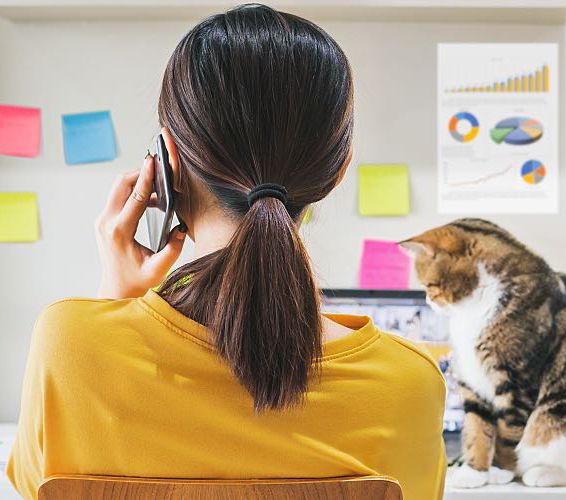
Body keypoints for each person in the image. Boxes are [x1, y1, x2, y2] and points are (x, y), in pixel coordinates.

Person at [6, 5, 446, 499]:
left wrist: (114, 304)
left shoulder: (69, 344)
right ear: (338, 170)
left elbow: (33, 484)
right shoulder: (410, 383)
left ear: (167, 162)